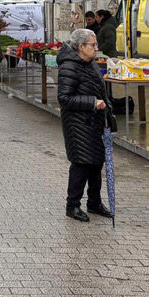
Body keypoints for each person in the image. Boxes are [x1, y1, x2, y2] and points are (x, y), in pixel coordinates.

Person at [56, 28, 113, 223]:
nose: (96, 48)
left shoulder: (91, 64)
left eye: (96, 45)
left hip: (95, 122)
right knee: (81, 164)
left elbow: (100, 89)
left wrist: (107, 108)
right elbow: (64, 98)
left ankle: (94, 202)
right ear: (81, 47)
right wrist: (91, 102)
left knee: (96, 163)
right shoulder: (68, 67)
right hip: (77, 124)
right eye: (93, 45)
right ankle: (72, 205)